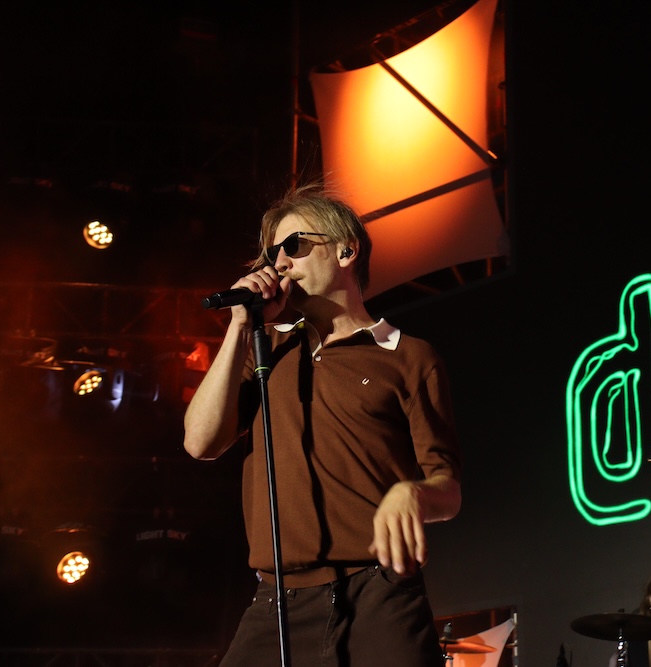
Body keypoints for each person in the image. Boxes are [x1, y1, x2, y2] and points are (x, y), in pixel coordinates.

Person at [183, 182, 462, 667]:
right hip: (278, 601)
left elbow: (449, 491)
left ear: (346, 251)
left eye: (294, 246)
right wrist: (241, 327)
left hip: (380, 596)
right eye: (272, 254)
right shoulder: (266, 348)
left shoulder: (409, 356)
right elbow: (199, 442)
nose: (280, 264)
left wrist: (413, 494)